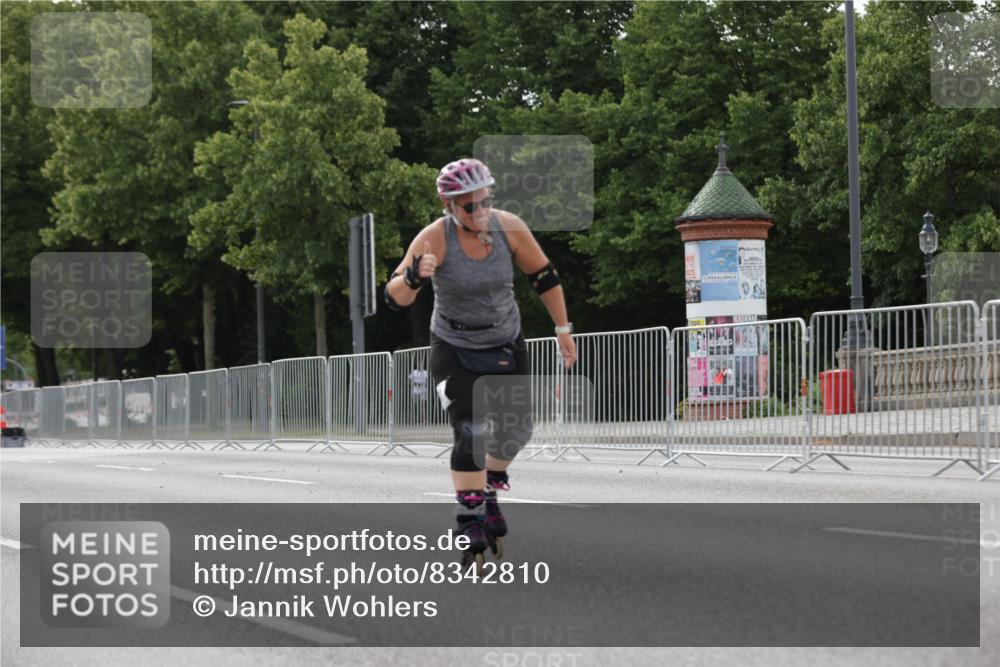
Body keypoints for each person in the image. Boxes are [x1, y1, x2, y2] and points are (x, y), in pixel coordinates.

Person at [385, 158, 577, 568]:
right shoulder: (435, 238)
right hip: (454, 344)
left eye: (486, 201)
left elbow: (544, 276)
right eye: (470, 207)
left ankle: (489, 486)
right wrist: (415, 278)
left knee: (516, 429)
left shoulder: (509, 228)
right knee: (470, 430)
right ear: (450, 206)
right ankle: (469, 516)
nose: (481, 212)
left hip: (504, 339)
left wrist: (563, 329)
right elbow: (394, 295)